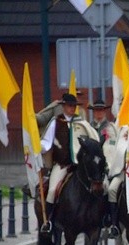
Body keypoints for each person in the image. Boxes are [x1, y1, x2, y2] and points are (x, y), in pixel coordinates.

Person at [39, 93, 100, 232]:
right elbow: (47, 143)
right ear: (63, 106)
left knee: (99, 185)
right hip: (63, 165)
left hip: (81, 166)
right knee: (52, 190)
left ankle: (101, 217)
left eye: (74, 106)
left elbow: (93, 141)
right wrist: (38, 146)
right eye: (69, 106)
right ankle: (48, 221)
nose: (72, 108)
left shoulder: (82, 123)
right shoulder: (55, 123)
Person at [88, 99, 119, 237]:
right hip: (91, 169)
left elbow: (113, 149)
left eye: (101, 110)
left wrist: (109, 168)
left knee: (110, 190)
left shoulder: (112, 128)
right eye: (96, 110)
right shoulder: (88, 127)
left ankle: (112, 221)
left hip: (108, 169)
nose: (99, 113)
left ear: (105, 111)